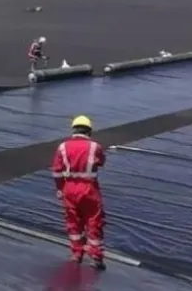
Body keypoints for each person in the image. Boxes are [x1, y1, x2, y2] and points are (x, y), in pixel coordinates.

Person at [51, 115, 106, 270]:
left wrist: (60, 189)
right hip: (89, 189)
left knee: (73, 221)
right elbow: (101, 162)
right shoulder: (95, 147)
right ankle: (96, 256)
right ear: (89, 131)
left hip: (69, 189)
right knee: (94, 221)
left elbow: (56, 171)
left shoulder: (62, 147)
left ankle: (76, 254)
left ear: (74, 130)